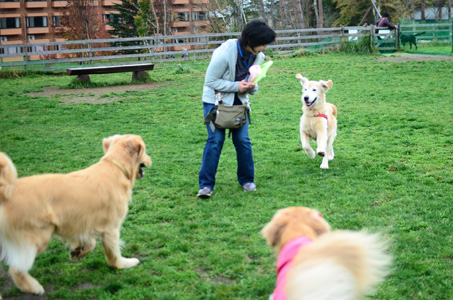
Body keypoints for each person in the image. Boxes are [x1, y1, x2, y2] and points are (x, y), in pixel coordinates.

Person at [197, 19, 276, 198]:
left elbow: (253, 84)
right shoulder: (225, 53)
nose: (265, 48)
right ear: (250, 41)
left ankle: (247, 180)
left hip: (240, 104)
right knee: (215, 141)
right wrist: (236, 86)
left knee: (243, 141)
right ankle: (206, 186)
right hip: (215, 103)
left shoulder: (258, 56)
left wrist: (251, 87)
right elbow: (210, 82)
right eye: (262, 44)